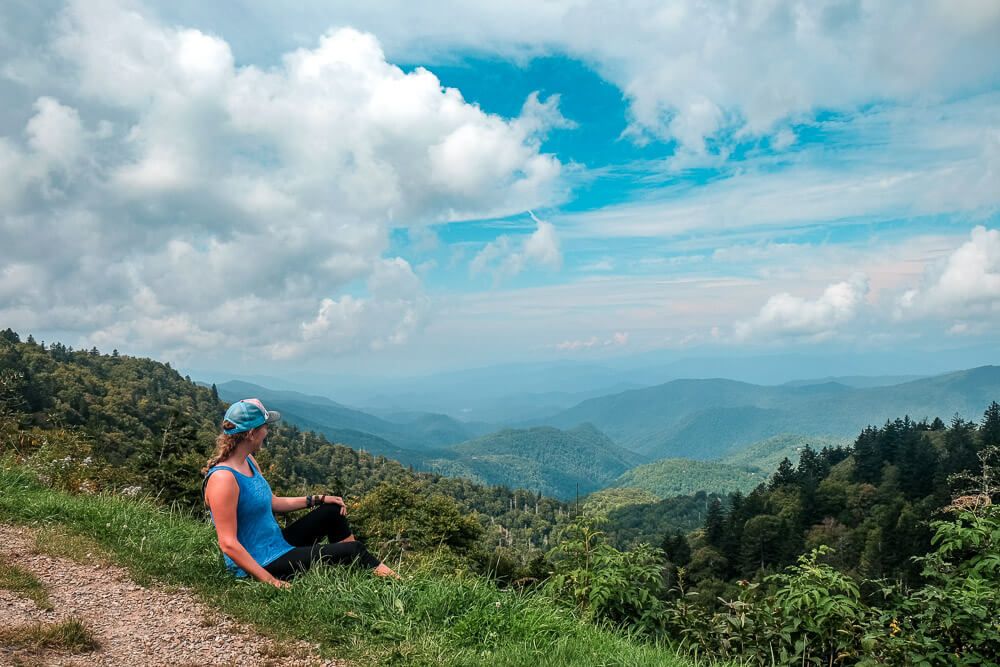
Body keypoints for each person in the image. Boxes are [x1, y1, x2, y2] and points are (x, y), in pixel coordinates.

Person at [202, 398, 397, 587]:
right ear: (252, 434)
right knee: (354, 550)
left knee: (332, 511)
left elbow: (272, 502)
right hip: (259, 564)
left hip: (276, 544)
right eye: (265, 427)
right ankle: (401, 584)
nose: (267, 431)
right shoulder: (224, 480)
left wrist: (317, 499)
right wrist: (271, 581)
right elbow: (228, 543)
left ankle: (354, 572)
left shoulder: (248, 462)